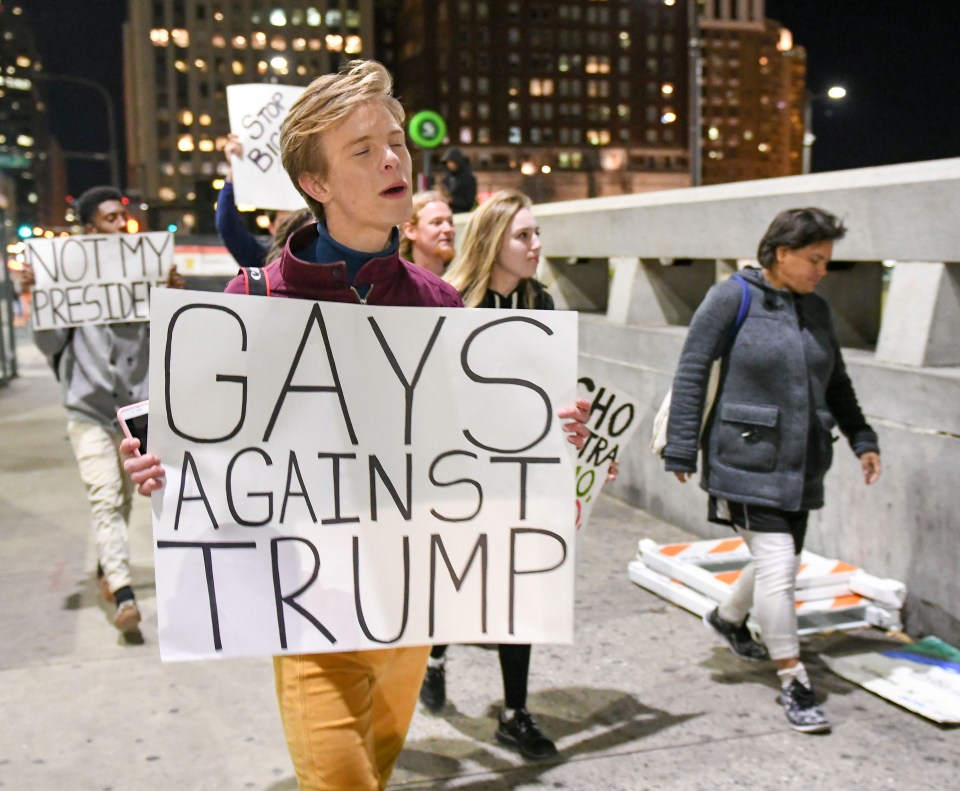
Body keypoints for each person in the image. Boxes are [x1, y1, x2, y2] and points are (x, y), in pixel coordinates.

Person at [121, 61, 591, 790]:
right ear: (316, 183)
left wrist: (548, 431)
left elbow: (479, 440)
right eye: (363, 150)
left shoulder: (439, 302)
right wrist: (155, 461)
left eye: (396, 141)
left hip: (414, 600)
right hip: (309, 608)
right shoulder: (254, 297)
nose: (393, 159)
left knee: (377, 765)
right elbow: (186, 442)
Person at [662, 207, 882, 734]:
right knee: (780, 565)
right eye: (814, 259)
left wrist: (862, 438)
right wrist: (680, 447)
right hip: (744, 457)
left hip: (803, 462)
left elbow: (837, 384)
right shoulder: (731, 296)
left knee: (778, 558)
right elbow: (692, 368)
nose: (822, 270)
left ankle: (728, 617)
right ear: (781, 253)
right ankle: (794, 679)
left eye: (827, 261)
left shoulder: (819, 310)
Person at [425, 189, 559, 760]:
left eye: (536, 234)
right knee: (457, 578)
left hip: (520, 472)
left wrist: (570, 424)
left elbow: (554, 386)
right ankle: (433, 656)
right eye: (523, 236)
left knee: (520, 588)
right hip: (459, 473)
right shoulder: (451, 303)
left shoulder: (543, 303)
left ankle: (515, 711)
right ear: (492, 242)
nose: (536, 246)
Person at [23, 186, 184, 635]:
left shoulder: (145, 272)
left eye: (123, 217)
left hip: (134, 409)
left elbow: (170, 338)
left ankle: (105, 568)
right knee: (106, 497)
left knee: (128, 497)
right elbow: (50, 346)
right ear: (91, 229)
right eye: (111, 219)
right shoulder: (69, 279)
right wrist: (43, 302)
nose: (121, 225)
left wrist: (172, 297)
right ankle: (123, 592)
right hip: (89, 409)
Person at [216, 132, 296, 267]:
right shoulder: (264, 258)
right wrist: (235, 168)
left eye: (298, 222)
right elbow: (227, 224)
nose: (293, 231)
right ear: (272, 228)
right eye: (285, 224)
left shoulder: (325, 257)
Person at [400, 190, 455, 276]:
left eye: (450, 222)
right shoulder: (398, 282)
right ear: (410, 230)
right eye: (437, 222)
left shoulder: (463, 282)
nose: (448, 229)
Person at [438, 146, 477, 214]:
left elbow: (469, 202)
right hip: (447, 212)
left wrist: (451, 200)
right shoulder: (446, 179)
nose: (449, 164)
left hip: (462, 214)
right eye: (448, 162)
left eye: (451, 162)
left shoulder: (468, 179)